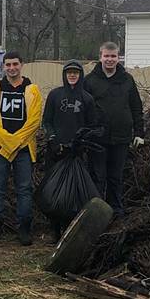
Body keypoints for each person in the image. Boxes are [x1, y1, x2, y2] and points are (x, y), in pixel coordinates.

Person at [0, 50, 44, 245]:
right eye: (8, 65)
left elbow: (34, 121)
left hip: (24, 149)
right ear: (3, 67)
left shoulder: (32, 89)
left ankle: (24, 229)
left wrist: (16, 142)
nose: (11, 68)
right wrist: (7, 143)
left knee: (24, 189)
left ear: (21, 64)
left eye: (15, 64)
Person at [82, 41, 144, 218]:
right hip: (97, 138)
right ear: (100, 57)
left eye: (113, 56)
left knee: (116, 177)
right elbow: (84, 110)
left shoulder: (127, 80)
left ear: (119, 58)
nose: (110, 59)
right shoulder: (90, 81)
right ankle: (96, 213)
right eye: (106, 56)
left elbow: (136, 107)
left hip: (121, 137)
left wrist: (139, 133)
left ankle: (116, 210)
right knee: (98, 177)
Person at [42, 60, 102, 239]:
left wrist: (80, 143)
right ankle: (54, 230)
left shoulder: (87, 99)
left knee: (74, 194)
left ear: (80, 75)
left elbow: (92, 126)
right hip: (56, 151)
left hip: (76, 153)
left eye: (76, 72)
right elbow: (46, 121)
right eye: (69, 73)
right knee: (53, 191)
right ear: (64, 75)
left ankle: (69, 230)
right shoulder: (55, 95)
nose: (72, 75)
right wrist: (52, 139)